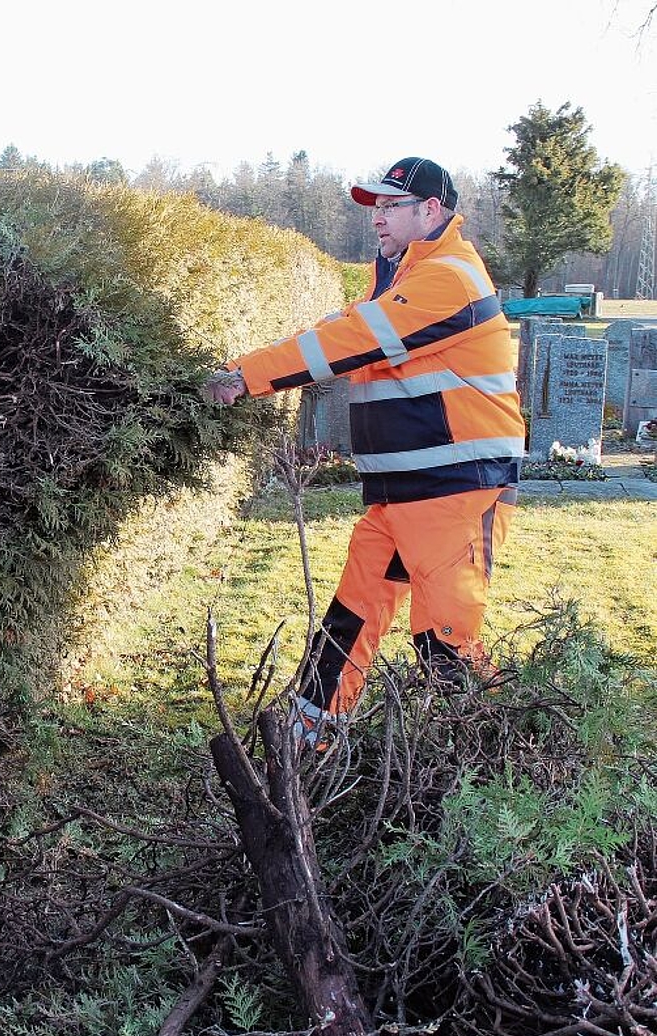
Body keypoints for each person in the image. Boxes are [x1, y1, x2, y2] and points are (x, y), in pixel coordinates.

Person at [206, 156, 526, 746]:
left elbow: (345, 341)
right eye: (373, 207)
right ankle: (306, 746)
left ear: (431, 209)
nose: (376, 218)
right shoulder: (400, 282)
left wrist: (243, 376)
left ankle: (494, 769)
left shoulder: (448, 277)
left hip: (455, 489)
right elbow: (338, 332)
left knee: (445, 639)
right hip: (405, 494)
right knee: (351, 617)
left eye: (389, 206)